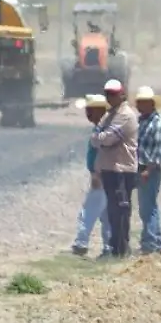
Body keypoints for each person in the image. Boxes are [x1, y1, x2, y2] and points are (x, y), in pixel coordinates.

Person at [91, 77, 140, 258]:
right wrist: (101, 138)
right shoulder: (109, 115)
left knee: (120, 211)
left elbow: (108, 139)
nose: (109, 97)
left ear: (122, 94)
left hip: (122, 169)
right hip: (110, 169)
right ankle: (115, 248)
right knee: (112, 211)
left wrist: (100, 138)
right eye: (107, 94)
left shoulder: (125, 115)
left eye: (112, 94)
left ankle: (121, 249)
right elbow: (96, 138)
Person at [71, 95, 112, 258]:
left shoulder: (103, 130)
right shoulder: (103, 127)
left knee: (88, 211)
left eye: (90, 110)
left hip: (101, 177)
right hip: (106, 176)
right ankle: (109, 247)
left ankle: (81, 243)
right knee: (107, 214)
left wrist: (96, 174)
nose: (87, 114)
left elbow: (103, 154)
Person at [135, 86, 161, 255]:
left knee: (148, 207)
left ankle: (151, 244)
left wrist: (148, 170)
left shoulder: (157, 123)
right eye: (138, 102)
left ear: (151, 104)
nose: (139, 106)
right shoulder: (142, 121)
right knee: (146, 207)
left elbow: (159, 150)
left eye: (143, 102)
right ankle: (153, 242)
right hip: (141, 168)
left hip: (149, 170)